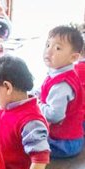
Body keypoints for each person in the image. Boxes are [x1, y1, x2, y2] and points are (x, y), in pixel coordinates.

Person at [38, 25, 84, 158]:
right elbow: (46, 89)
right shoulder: (59, 73)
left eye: (57, 48)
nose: (49, 51)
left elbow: (54, 115)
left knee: (23, 142)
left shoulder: (62, 84)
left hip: (63, 143)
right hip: (69, 138)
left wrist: (38, 105)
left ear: (73, 57)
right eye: (47, 45)